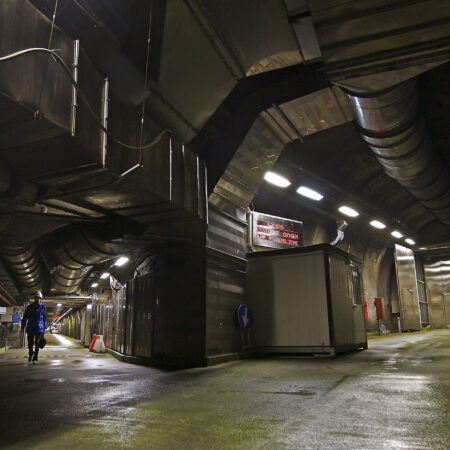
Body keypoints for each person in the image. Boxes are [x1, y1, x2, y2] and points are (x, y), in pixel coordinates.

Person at [21, 291, 47, 364]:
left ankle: (35, 358)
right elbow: (25, 317)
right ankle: (30, 353)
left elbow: (45, 318)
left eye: (39, 298)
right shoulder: (30, 307)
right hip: (30, 327)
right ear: (34, 299)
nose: (37, 300)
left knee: (37, 344)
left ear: (41, 299)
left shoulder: (43, 307)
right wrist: (23, 326)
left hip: (39, 328)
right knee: (30, 343)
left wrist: (44, 328)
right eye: (36, 298)